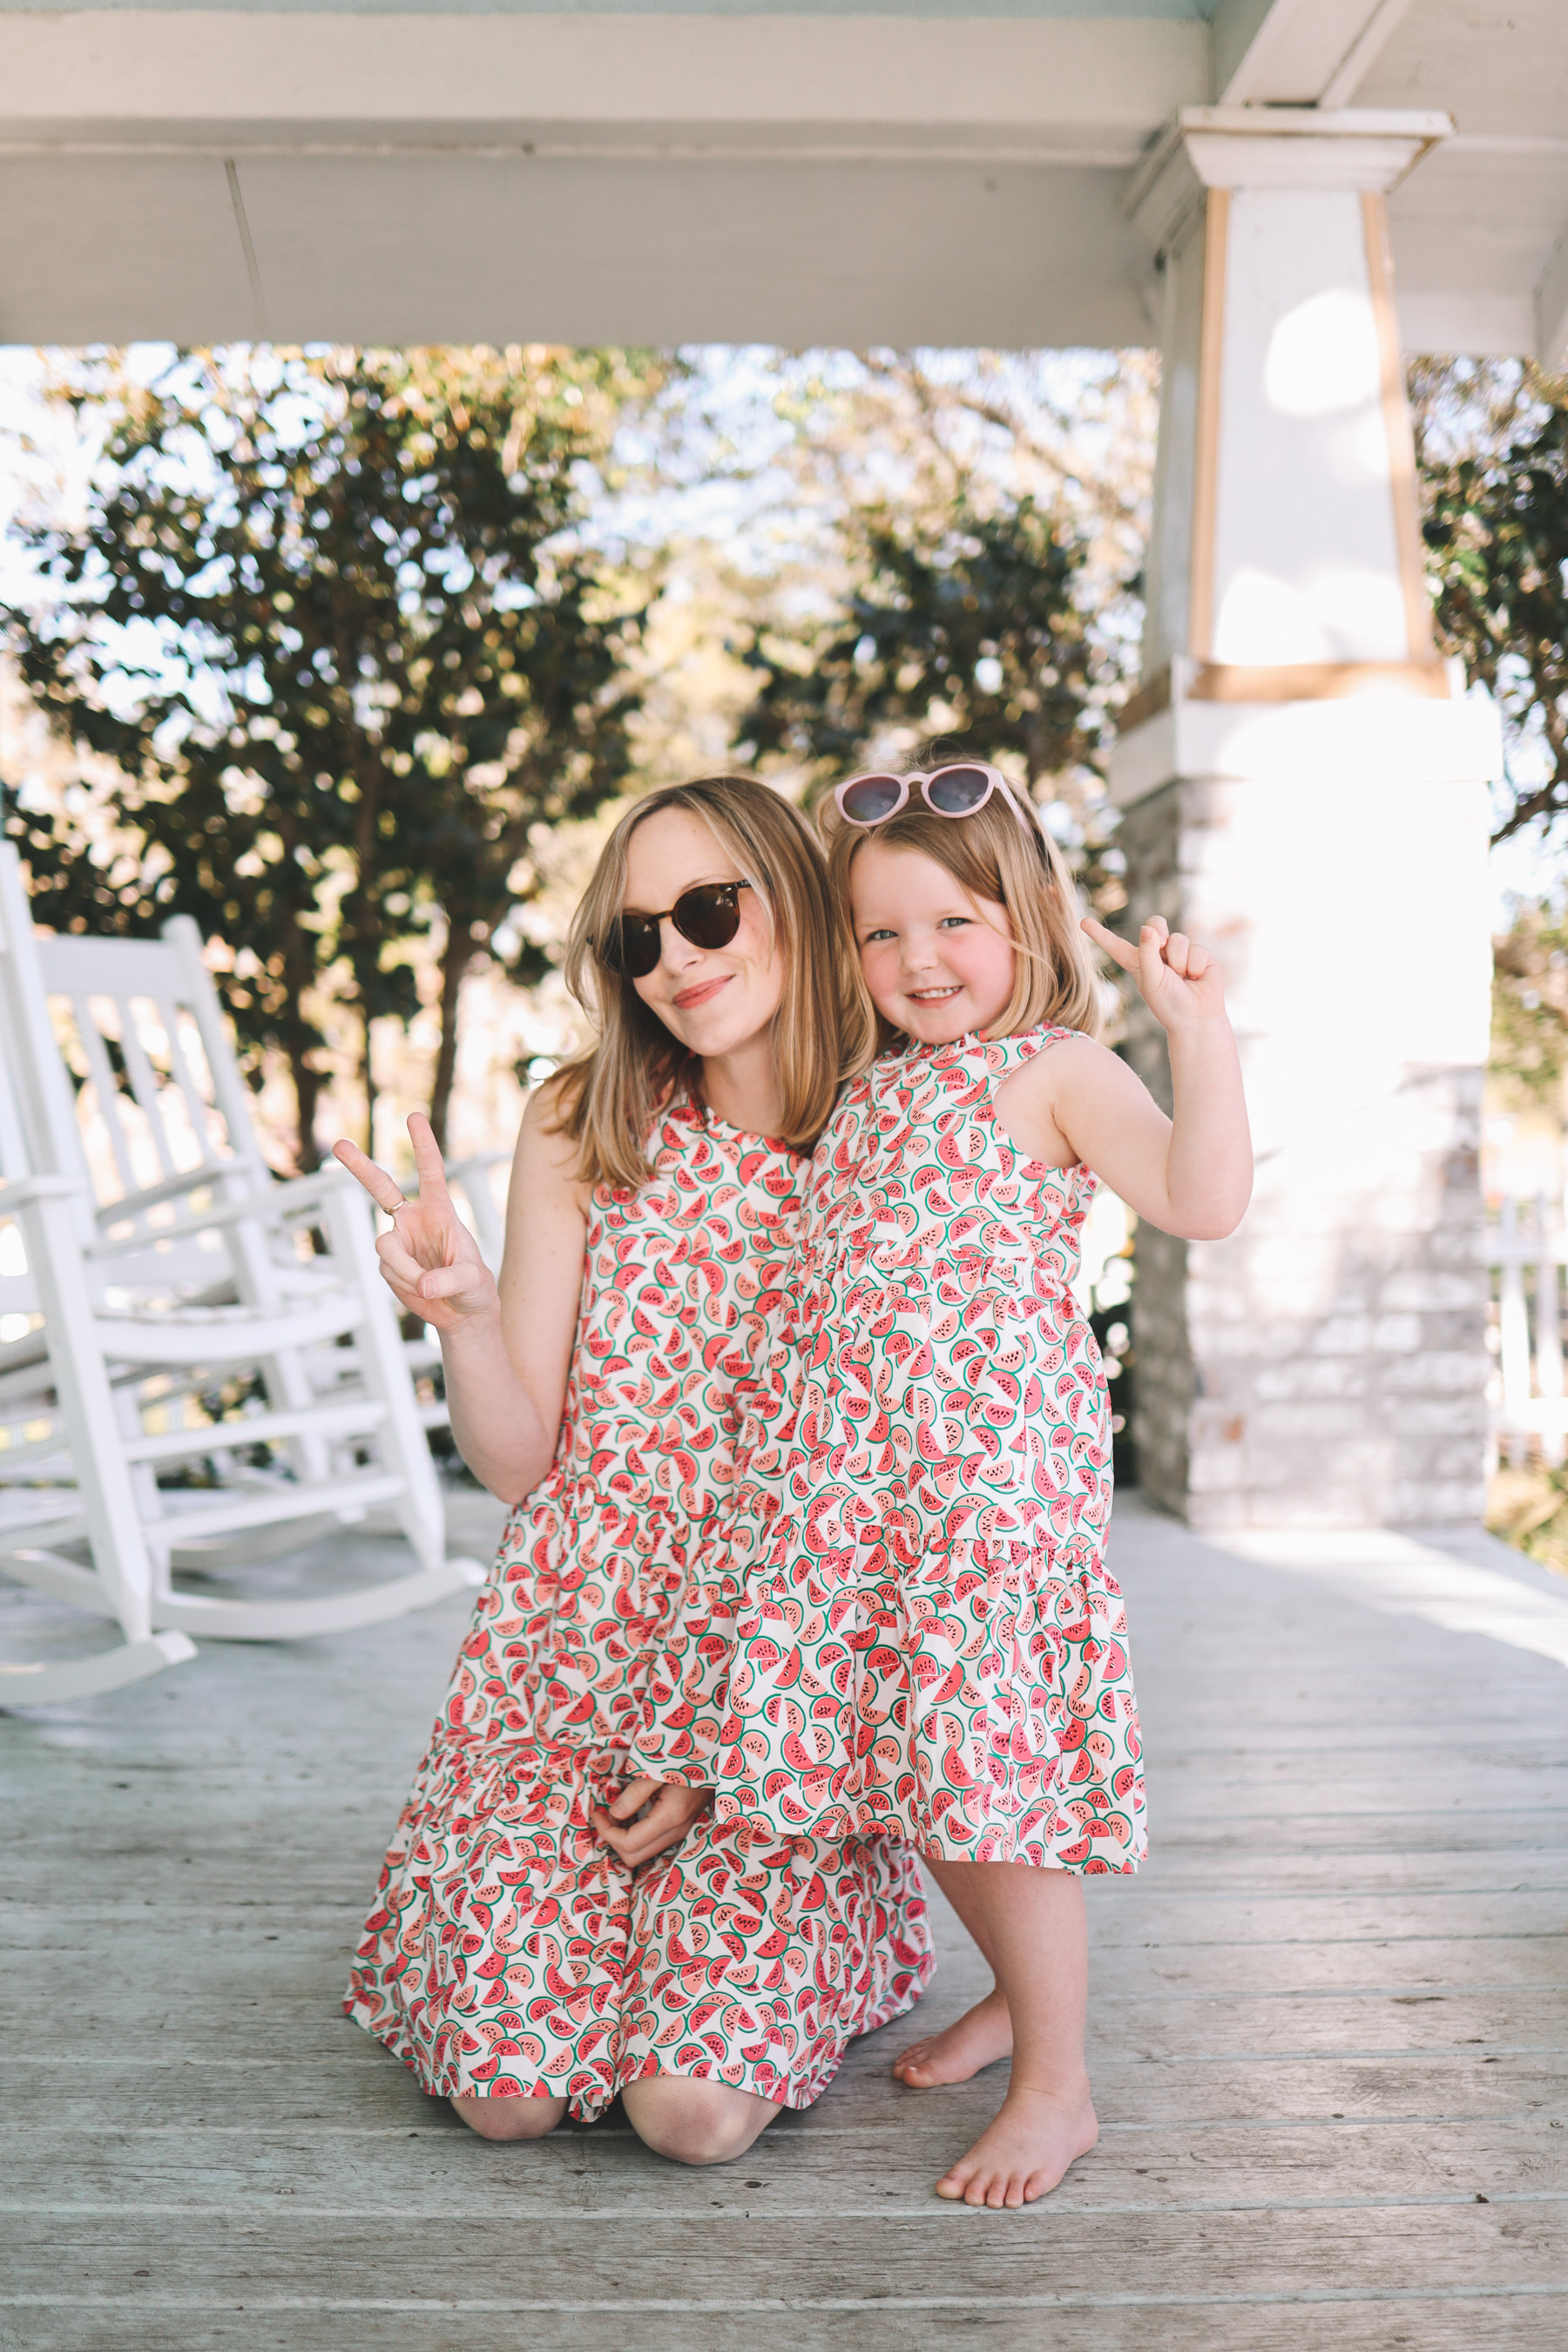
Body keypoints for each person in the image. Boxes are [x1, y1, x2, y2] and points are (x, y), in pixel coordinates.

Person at [335, 776, 933, 2163]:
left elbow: (899, 1502)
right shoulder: (580, 1125)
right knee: (504, 2098)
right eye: (635, 938)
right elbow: (516, 1462)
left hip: (780, 1698)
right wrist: (470, 1318)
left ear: (795, 896)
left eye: (710, 910)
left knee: (691, 2115)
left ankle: (838, 1948)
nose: (675, 958)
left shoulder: (896, 1131)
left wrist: (727, 1752)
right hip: (576, 1675)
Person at [699, 759, 1252, 2207]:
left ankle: (1058, 2088)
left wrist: (1201, 1038)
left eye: (953, 921)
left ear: (1025, 916)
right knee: (910, 1771)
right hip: (856, 1507)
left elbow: (1201, 1200)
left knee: (983, 1781)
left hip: (986, 1507)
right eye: (881, 934)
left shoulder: (1056, 1067)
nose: (918, 959)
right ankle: (1018, 1991)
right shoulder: (866, 1096)